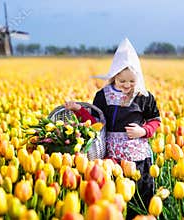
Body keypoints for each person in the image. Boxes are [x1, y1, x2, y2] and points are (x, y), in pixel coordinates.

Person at [64, 38, 161, 219]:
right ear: (114, 77)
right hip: (112, 157)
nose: (126, 85)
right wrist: (79, 110)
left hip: (138, 157)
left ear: (138, 78)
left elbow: (156, 121)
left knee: (139, 199)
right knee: (114, 198)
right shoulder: (103, 96)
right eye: (121, 80)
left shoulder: (144, 97)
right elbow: (95, 122)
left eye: (131, 81)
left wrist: (143, 131)